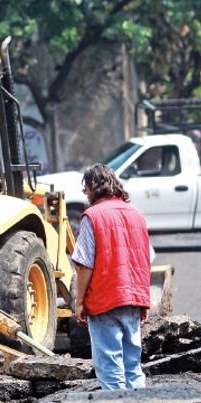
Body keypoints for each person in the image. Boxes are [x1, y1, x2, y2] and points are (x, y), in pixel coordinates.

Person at [71, 163, 152, 390]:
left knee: (110, 368)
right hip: (133, 299)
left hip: (104, 300)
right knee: (132, 366)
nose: (85, 194)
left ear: (94, 185)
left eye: (85, 189)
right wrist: (143, 300)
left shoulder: (92, 217)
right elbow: (146, 260)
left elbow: (85, 265)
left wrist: (79, 302)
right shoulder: (136, 214)